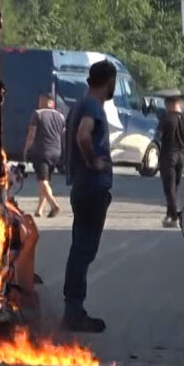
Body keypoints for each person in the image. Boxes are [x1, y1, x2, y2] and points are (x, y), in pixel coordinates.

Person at [62, 60, 116, 333]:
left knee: (80, 249)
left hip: (83, 187)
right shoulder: (93, 106)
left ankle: (73, 308)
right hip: (91, 188)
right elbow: (84, 135)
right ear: (109, 82)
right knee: (84, 250)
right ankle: (74, 310)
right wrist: (94, 162)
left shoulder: (79, 105)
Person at [156, 95, 184, 228]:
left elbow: (159, 136)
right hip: (183, 156)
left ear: (171, 104)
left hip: (169, 155)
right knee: (175, 187)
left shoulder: (166, 118)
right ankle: (169, 214)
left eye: (166, 104)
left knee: (170, 188)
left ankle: (174, 217)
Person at [22, 92, 65, 218]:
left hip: (41, 152)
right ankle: (39, 210)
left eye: (42, 100)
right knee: (45, 181)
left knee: (42, 181)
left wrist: (26, 149)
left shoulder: (38, 114)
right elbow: (63, 135)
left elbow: (31, 134)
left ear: (48, 101)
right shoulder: (61, 116)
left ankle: (54, 204)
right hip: (56, 152)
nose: (40, 102)